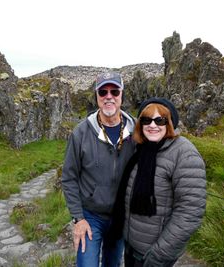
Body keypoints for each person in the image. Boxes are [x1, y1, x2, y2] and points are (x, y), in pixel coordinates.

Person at [110, 97, 206, 267]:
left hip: (154, 255)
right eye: (146, 120)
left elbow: (190, 211)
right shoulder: (140, 149)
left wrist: (159, 255)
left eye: (159, 120)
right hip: (132, 247)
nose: (152, 125)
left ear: (169, 123)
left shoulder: (184, 154)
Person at [61, 72, 136, 267]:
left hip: (120, 217)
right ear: (96, 96)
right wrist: (78, 218)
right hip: (90, 217)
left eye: (114, 91)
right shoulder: (81, 133)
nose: (108, 96)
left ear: (121, 95)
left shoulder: (136, 131)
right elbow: (69, 177)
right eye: (103, 92)